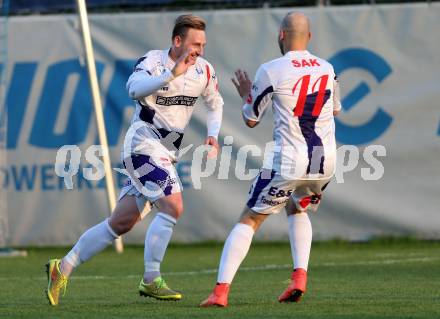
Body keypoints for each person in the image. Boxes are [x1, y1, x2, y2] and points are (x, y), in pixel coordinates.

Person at [46, 14, 223, 306]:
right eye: (195, 44)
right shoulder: (153, 62)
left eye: (203, 45)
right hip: (142, 146)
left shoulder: (204, 70)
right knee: (173, 204)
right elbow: (133, 89)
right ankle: (151, 279)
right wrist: (170, 74)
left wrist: (213, 134)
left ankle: (61, 267)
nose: (199, 51)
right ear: (177, 41)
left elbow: (215, 103)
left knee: (121, 223)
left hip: (167, 152)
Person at [200, 11, 341, 307]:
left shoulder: (272, 69)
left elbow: (251, 118)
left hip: (290, 160)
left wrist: (245, 95)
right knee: (296, 207)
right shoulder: (328, 69)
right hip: (324, 162)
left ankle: (220, 292)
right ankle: (299, 278)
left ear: (280, 35)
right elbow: (335, 109)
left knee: (249, 218)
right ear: (310, 37)